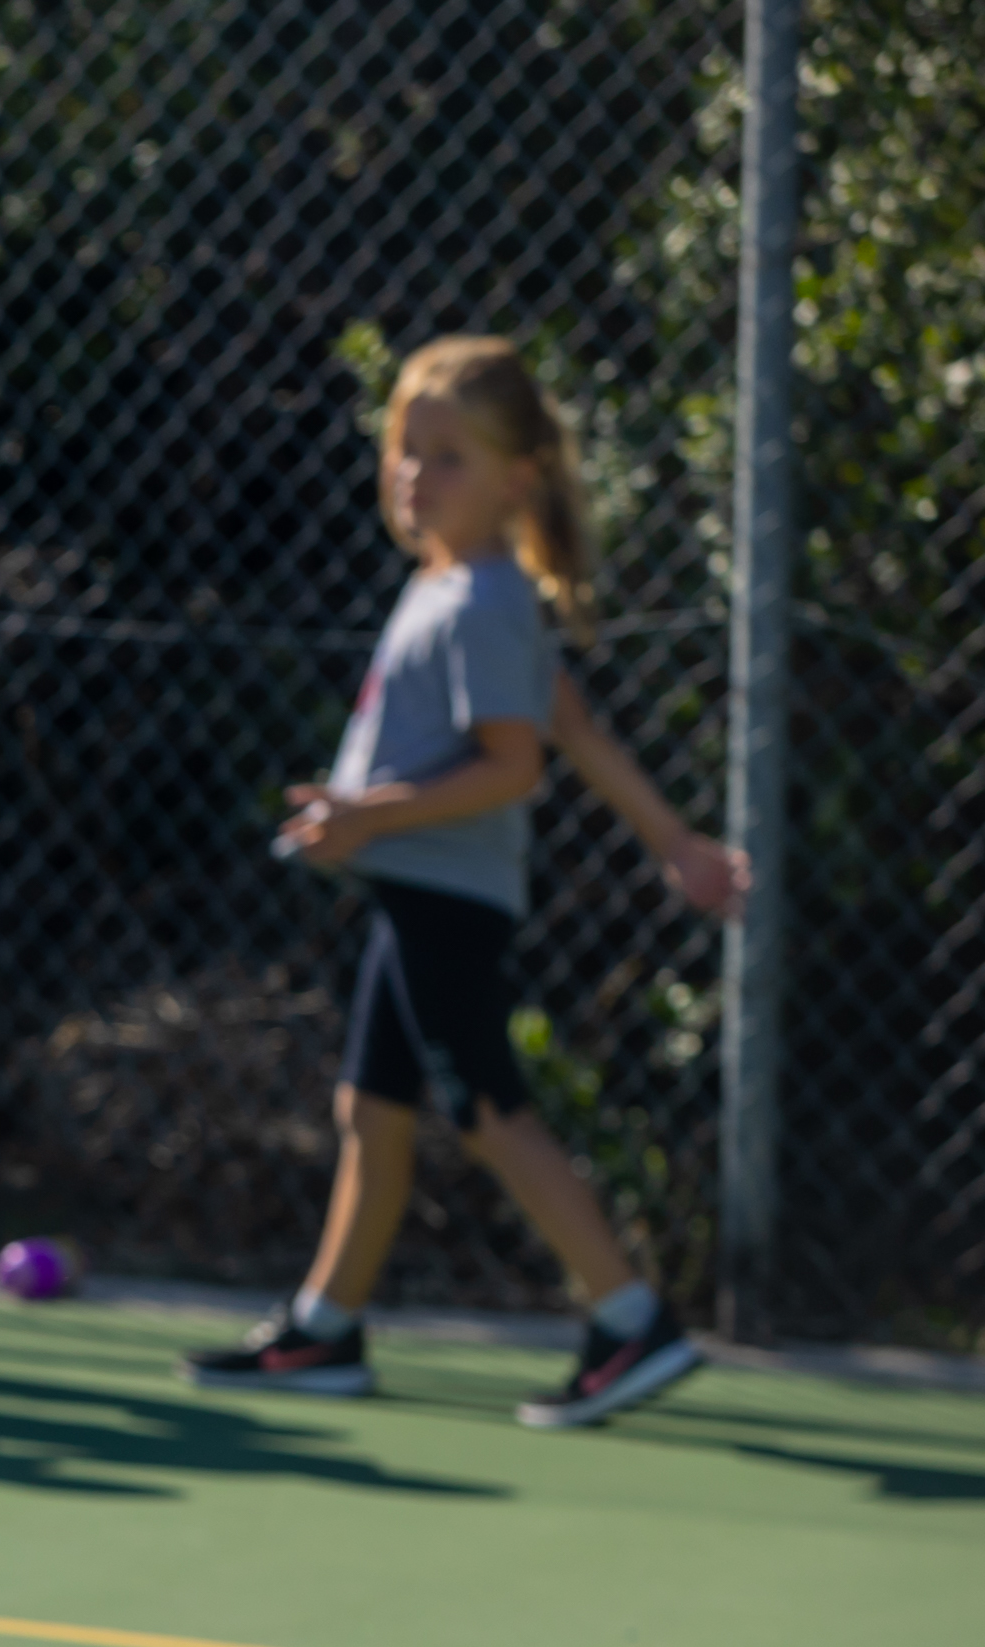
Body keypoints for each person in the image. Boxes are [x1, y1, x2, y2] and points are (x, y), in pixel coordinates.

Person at [182, 335, 730, 1427]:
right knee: (370, 1113)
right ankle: (325, 1329)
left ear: (515, 479)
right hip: (410, 891)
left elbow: (514, 762)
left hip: (447, 900)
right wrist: (676, 841)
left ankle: (629, 1319)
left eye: (446, 459)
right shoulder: (450, 588)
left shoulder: (484, 599)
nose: (413, 476)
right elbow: (571, 724)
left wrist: (360, 816)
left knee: (486, 1110)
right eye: (404, 450)